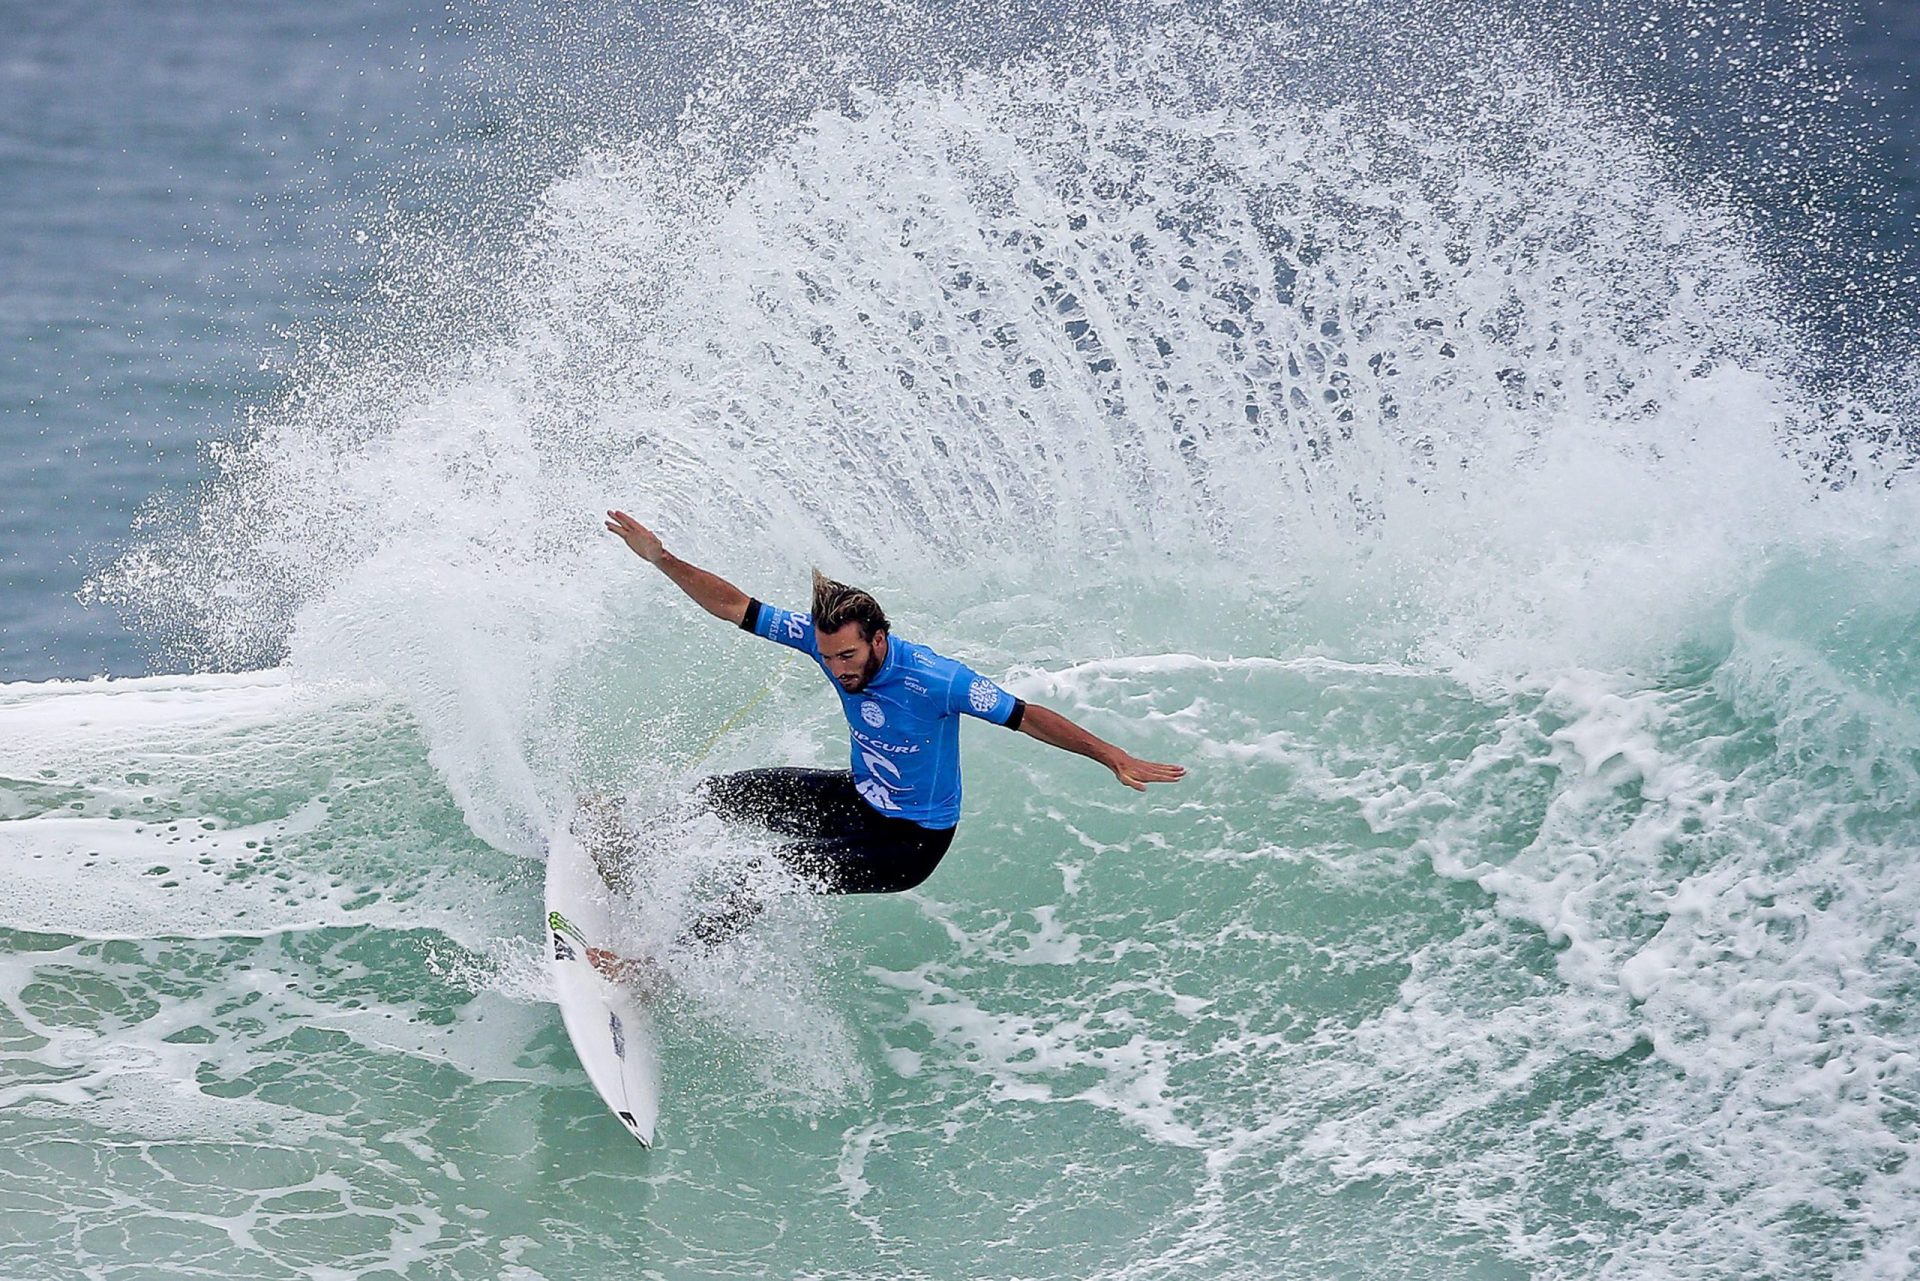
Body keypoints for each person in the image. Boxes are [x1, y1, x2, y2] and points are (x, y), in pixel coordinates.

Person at [600, 509, 1187, 947]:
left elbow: (1028, 716)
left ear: (878, 639)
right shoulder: (826, 641)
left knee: (763, 877)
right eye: (829, 657)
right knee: (726, 795)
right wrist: (662, 559)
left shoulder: (937, 681)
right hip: (860, 797)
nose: (837, 669)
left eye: (848, 657)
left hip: (907, 845)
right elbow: (735, 607)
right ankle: (629, 853)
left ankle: (654, 970)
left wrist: (1110, 754)